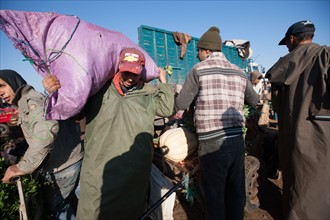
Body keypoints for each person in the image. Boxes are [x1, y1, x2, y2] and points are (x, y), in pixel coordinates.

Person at [43, 47, 175, 219]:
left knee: (130, 213)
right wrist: (56, 92)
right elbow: (74, 111)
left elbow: (167, 108)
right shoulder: (98, 91)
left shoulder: (147, 94)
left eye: (134, 73)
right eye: (126, 72)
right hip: (99, 171)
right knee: (92, 213)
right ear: (118, 67)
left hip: (134, 173)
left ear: (142, 70)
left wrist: (163, 80)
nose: (129, 78)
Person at [175, 26, 259, 220]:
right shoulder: (239, 72)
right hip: (237, 140)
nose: (197, 56)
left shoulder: (198, 70)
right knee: (236, 189)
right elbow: (254, 101)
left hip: (212, 143)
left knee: (214, 194)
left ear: (206, 50)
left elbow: (181, 103)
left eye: (198, 51)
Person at [265, 20, 330, 220]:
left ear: (292, 39)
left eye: (287, 42)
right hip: (322, 133)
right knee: (319, 181)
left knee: (296, 178)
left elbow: (276, 105)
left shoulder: (282, 66)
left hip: (291, 134)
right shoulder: (325, 57)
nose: (287, 46)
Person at [0, 69, 84, 219]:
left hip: (62, 165)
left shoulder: (30, 101)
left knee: (59, 209)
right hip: (69, 158)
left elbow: (46, 132)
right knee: (74, 204)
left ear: (13, 81)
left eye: (2, 86)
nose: (0, 93)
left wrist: (22, 167)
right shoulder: (25, 102)